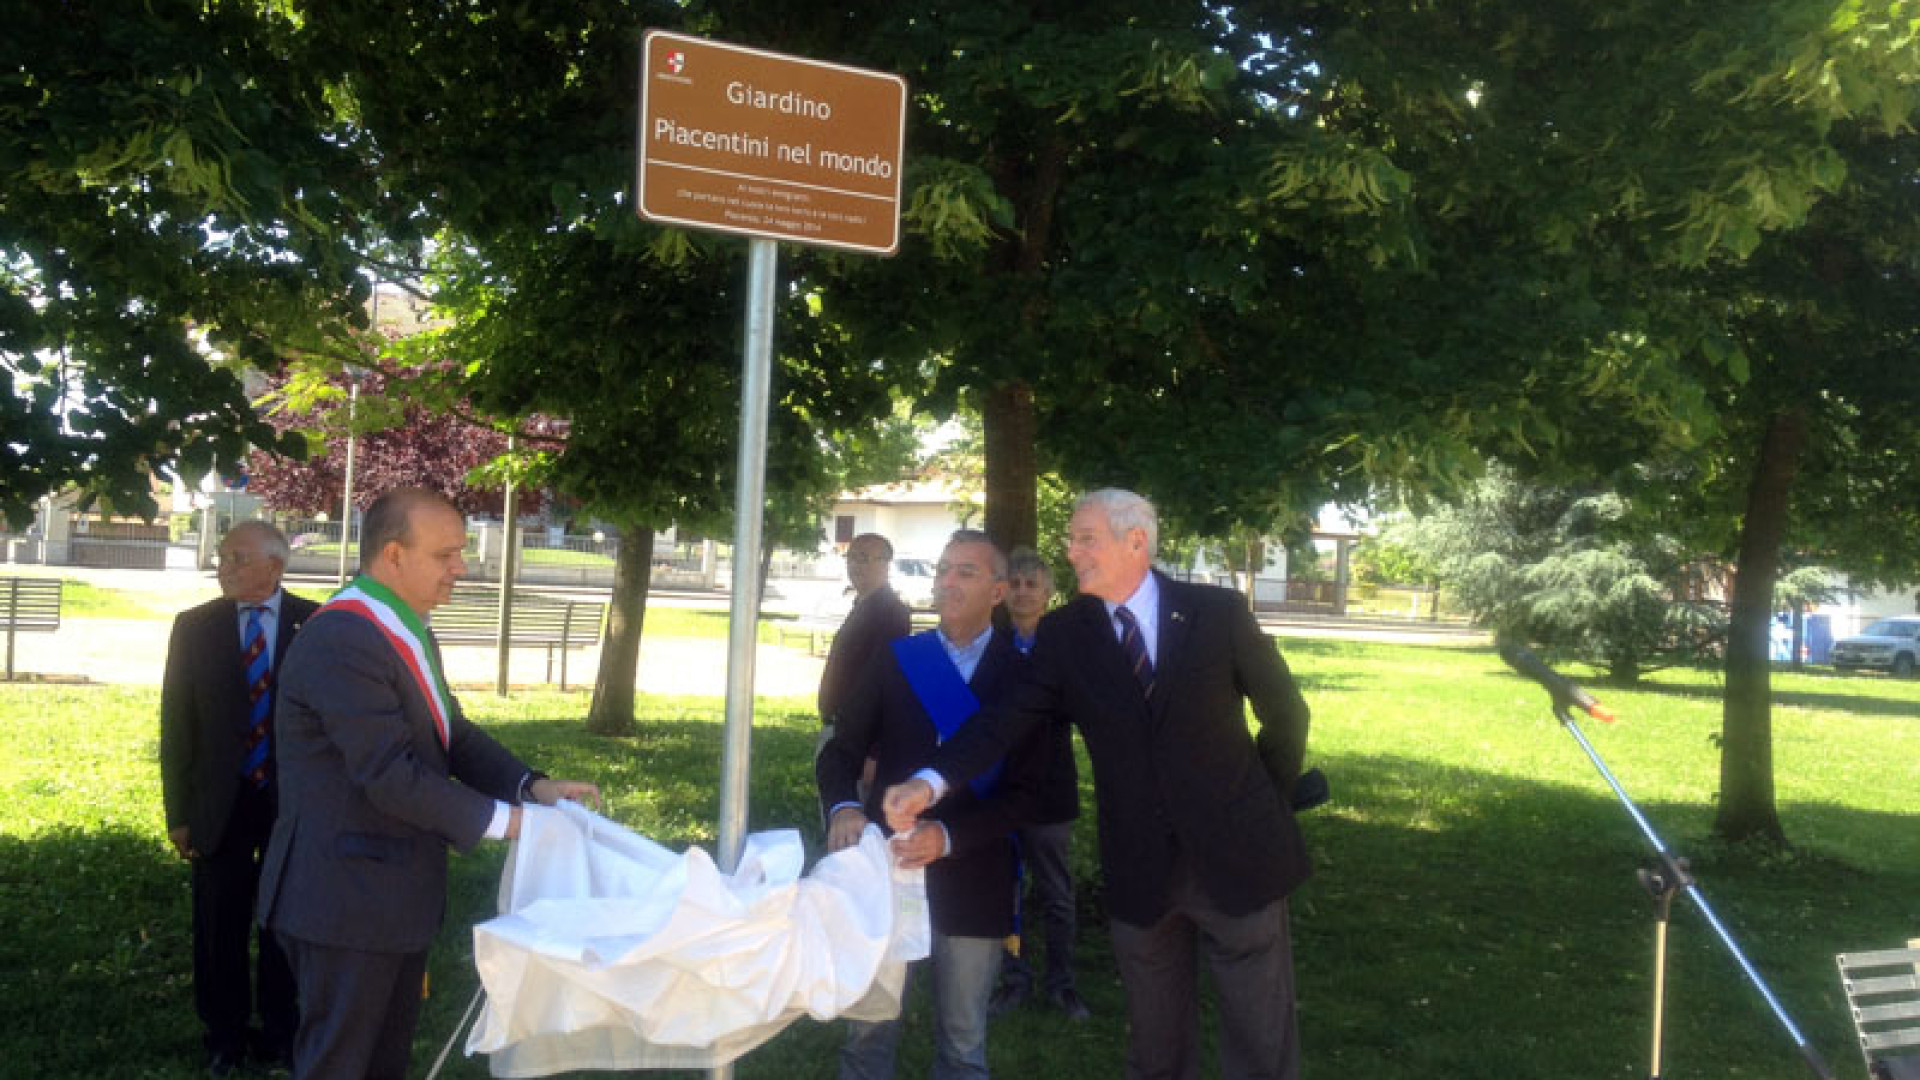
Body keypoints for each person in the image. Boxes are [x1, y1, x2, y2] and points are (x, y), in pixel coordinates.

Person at [885, 489, 1314, 1080]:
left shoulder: (1217, 613)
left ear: (1135, 541)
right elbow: (1002, 723)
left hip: (1241, 855)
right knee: (1156, 1048)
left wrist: (1263, 799)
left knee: (1261, 1044)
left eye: (1085, 538)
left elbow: (1287, 714)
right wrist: (930, 782)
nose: (1072, 550)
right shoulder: (1066, 636)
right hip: (1141, 868)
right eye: (1071, 538)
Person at [256, 488, 600, 1080]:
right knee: (340, 1065)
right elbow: (390, 775)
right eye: (446, 556)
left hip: (385, 900)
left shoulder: (401, 626)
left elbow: (450, 735)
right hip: (343, 903)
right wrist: (512, 825)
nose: (461, 569)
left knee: (382, 1063)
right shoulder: (344, 638)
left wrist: (530, 788)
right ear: (394, 556)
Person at [817, 530, 1049, 1080]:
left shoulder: (1027, 677)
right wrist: (845, 808)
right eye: (944, 569)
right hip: (888, 869)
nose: (947, 581)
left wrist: (949, 838)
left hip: (976, 873)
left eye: (966, 572)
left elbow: (1032, 792)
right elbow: (840, 752)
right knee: (867, 1034)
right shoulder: (899, 660)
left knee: (963, 1047)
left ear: (998, 592)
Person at [160, 521, 318, 1076]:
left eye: (237, 557)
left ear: (275, 566)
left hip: (291, 803)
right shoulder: (196, 627)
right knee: (218, 922)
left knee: (284, 919)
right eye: (222, 556)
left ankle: (281, 1031)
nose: (222, 565)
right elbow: (177, 724)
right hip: (218, 802)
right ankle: (223, 1034)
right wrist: (179, 814)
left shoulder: (316, 623)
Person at [987, 547, 1089, 1022]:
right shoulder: (992, 646)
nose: (1024, 592)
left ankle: (1063, 983)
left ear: (1049, 593)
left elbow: (1078, 708)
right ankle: (1014, 977)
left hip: (1050, 788)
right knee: (1007, 891)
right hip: (1003, 789)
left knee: (1056, 891)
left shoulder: (1066, 647)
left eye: (1034, 585)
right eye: (1017, 584)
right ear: (1003, 591)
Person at [818, 532, 914, 730]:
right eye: (851, 557)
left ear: (885, 563)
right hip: (840, 725)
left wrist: (873, 749)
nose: (854, 565)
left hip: (860, 733)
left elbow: (885, 681)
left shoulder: (891, 613)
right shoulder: (862, 605)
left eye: (862, 558)